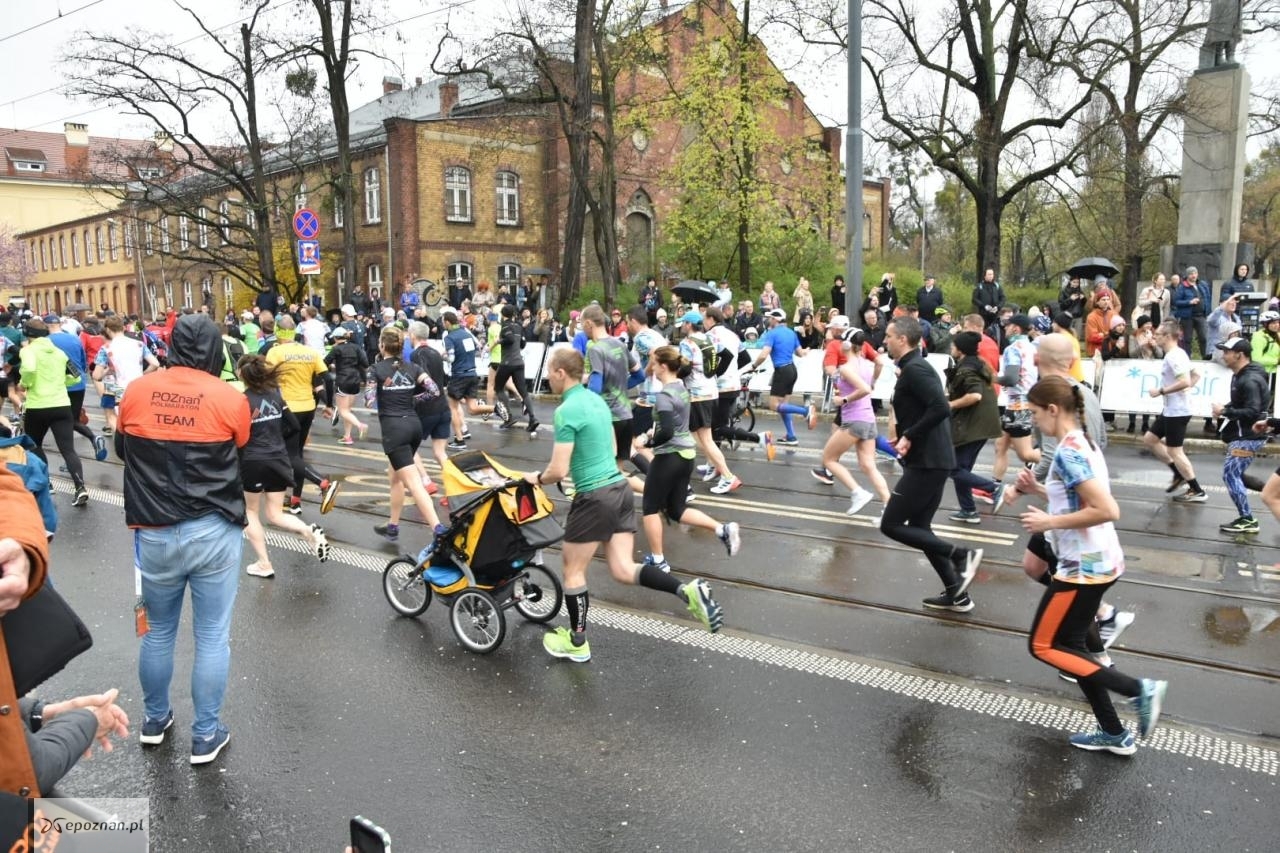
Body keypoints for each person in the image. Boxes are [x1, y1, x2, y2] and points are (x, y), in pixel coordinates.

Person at [524, 348, 724, 662]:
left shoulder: (567, 410)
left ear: (561, 372)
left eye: (550, 372)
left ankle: (577, 642)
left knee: (573, 571)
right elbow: (615, 449)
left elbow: (558, 471)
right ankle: (685, 592)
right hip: (619, 490)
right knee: (622, 568)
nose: (548, 377)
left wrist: (534, 478)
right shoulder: (598, 402)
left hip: (594, 496)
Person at [116, 313, 251, 765]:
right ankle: (205, 735)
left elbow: (122, 448)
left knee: (156, 634)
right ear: (215, 350)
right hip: (212, 529)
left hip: (154, 530)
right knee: (212, 636)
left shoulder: (137, 390)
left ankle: (155, 721)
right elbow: (241, 450)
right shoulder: (229, 398)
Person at [1017, 376, 1168, 756]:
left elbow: (1106, 509)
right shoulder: (1081, 440)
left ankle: (1139, 690)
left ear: (1053, 410)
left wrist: (1048, 522)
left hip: (1082, 567)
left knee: (1043, 645)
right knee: (1074, 647)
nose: (1034, 422)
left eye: (1035, 414)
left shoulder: (1068, 451)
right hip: (1098, 561)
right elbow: (1079, 493)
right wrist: (1040, 491)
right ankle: (1114, 732)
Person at [879, 316, 983, 611]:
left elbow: (940, 407)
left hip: (929, 461)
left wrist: (909, 435)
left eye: (888, 336)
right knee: (920, 527)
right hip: (931, 459)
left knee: (892, 525)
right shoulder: (911, 368)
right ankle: (957, 594)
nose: (884, 341)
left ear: (903, 339)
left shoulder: (916, 369)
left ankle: (960, 554)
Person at [637, 345, 742, 569]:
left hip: (669, 457)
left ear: (663, 367)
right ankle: (721, 529)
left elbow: (666, 431)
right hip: (686, 456)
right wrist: (651, 432)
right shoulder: (682, 388)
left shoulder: (664, 396)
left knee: (650, 508)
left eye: (654, 363)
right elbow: (673, 423)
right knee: (676, 510)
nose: (651, 367)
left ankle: (658, 560)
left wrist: (647, 442)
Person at [236, 354, 329, 577]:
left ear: (242, 375)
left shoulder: (242, 400)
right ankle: (308, 530)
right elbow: (294, 426)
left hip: (254, 461)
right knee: (275, 514)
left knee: (250, 512)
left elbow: (238, 435)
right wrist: (276, 436)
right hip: (278, 458)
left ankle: (264, 563)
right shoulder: (276, 397)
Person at [369, 326, 445, 555]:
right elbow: (434, 391)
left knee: (412, 482)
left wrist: (384, 391)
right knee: (395, 477)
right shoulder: (413, 367)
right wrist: (413, 400)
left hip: (394, 430)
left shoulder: (376, 369)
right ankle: (392, 526)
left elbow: (369, 400)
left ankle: (438, 529)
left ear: (382, 345)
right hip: (413, 426)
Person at [266, 316, 341, 515]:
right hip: (308, 407)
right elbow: (327, 379)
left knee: (289, 456)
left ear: (278, 332)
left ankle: (323, 484)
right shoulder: (310, 352)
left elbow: (267, 381)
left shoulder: (275, 353)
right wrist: (329, 404)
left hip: (288, 409)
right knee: (297, 454)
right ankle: (296, 502)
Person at [17, 319, 88, 507]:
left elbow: (30, 369)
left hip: (38, 406)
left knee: (34, 445)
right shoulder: (59, 352)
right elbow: (76, 375)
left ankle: (46, 483)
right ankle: (80, 488)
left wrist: (25, 384)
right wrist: (61, 383)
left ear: (28, 334)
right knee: (68, 449)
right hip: (61, 404)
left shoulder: (27, 351)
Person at [821, 329, 890, 514]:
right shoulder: (867, 364)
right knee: (868, 465)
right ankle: (889, 506)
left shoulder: (846, 368)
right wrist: (874, 379)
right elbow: (878, 367)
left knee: (828, 459)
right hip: (868, 419)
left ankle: (858, 492)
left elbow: (865, 389)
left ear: (846, 345)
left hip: (854, 420)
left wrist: (843, 400)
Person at [677, 310, 743, 494]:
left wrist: (673, 375)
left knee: (705, 438)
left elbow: (684, 369)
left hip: (697, 394)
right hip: (712, 392)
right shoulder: (709, 339)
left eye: (683, 323)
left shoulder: (687, 343)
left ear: (689, 324)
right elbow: (728, 355)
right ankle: (715, 466)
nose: (682, 326)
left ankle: (728, 476)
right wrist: (713, 373)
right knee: (696, 435)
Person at [1142, 321, 1206, 503]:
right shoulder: (1177, 353)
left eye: (1159, 335)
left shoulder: (1174, 357)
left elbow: (1186, 380)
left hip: (1177, 411)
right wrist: (1184, 392)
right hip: (1172, 409)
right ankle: (1178, 474)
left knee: (1175, 451)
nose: (1155, 337)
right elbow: (1196, 375)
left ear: (1168, 337)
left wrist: (1161, 391)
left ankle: (1197, 490)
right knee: (1150, 439)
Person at [1212, 337, 1270, 534]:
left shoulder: (1249, 380)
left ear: (1239, 354)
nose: (1223, 355)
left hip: (1249, 436)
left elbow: (1253, 410)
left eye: (1227, 352)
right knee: (1236, 474)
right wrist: (1226, 408)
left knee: (1231, 475)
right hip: (1243, 434)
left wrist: (1225, 412)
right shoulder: (1240, 374)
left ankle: (1248, 519)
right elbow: (1241, 404)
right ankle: (1272, 491)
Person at [946, 331, 1003, 524]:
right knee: (962, 469)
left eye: (953, 346)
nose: (951, 348)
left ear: (960, 349)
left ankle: (993, 488)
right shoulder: (976, 363)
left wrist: (950, 405)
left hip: (974, 425)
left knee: (953, 468)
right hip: (980, 423)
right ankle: (968, 510)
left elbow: (975, 395)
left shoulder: (967, 368)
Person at [703, 307, 774, 459]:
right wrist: (733, 372)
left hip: (719, 387)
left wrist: (716, 372)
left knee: (717, 428)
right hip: (733, 385)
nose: (703, 323)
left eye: (704, 319)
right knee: (717, 427)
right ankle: (713, 464)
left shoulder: (709, 336)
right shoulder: (733, 335)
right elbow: (746, 359)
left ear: (710, 319)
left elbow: (708, 360)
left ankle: (759, 438)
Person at [442, 309, 507, 450]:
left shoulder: (449, 337)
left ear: (447, 322)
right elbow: (476, 349)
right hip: (472, 374)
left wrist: (443, 356)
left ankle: (459, 440)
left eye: (443, 322)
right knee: (472, 408)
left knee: (452, 408)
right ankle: (494, 408)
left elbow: (451, 358)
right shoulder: (466, 334)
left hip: (459, 375)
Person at [46, 314, 108, 463]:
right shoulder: (75, 338)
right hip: (78, 384)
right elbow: (82, 362)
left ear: (47, 326)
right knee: (73, 420)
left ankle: (70, 460)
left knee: (59, 422)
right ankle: (94, 438)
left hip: (59, 385)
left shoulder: (46, 342)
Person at [750, 309, 815, 446]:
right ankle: (791, 436)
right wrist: (807, 350)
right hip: (791, 370)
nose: (768, 320)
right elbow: (800, 353)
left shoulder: (772, 334)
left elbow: (763, 354)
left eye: (770, 318)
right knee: (783, 406)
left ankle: (805, 411)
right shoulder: (791, 333)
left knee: (774, 405)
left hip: (782, 370)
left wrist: (754, 366)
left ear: (775, 319)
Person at [990, 314, 1041, 488]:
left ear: (1016, 328)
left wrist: (991, 379)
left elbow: (1011, 378)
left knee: (1026, 454)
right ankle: (994, 487)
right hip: (1023, 403)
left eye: (1007, 325)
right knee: (1000, 445)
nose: (1005, 328)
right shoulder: (1032, 347)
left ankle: (1060, 458)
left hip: (1019, 405)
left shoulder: (1013, 349)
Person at [494, 303, 539, 433]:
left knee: (498, 388)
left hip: (507, 363)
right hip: (519, 362)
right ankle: (532, 419)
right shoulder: (519, 326)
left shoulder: (505, 326)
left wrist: (499, 342)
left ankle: (508, 418)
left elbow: (510, 339)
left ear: (502, 315)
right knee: (523, 391)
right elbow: (523, 344)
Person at [325, 326, 369, 445]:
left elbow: (324, 362)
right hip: (355, 381)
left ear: (335, 338)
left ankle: (360, 425)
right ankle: (347, 436)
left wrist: (334, 366)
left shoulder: (336, 349)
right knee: (348, 410)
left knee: (343, 410)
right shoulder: (356, 347)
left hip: (342, 381)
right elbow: (365, 363)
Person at [1172, 267, 1210, 357]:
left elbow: (1207, 298)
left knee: (1203, 337)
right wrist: (1189, 302)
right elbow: (1176, 302)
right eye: (1191, 274)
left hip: (1201, 315)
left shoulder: (1202, 285)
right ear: (1187, 275)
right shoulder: (1182, 287)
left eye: (1195, 273)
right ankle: (1187, 357)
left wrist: (1207, 310)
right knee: (1188, 339)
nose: (1194, 275)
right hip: (1187, 316)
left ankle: (1205, 356)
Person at [1084, 288, 1121, 357]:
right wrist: (1109, 335)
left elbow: (1120, 331)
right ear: (1097, 302)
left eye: (1108, 299)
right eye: (1103, 300)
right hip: (1095, 352)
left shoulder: (1114, 314)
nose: (1106, 302)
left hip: (1111, 351)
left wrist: (1103, 335)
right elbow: (1092, 336)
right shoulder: (1091, 316)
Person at [972, 268, 1005, 335]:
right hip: (984, 314)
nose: (991, 276)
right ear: (985, 276)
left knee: (995, 332)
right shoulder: (980, 286)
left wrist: (998, 307)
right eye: (989, 274)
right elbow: (974, 299)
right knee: (984, 331)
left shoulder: (997, 286)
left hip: (995, 314)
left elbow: (1003, 298)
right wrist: (984, 306)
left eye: (992, 274)